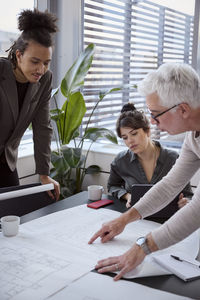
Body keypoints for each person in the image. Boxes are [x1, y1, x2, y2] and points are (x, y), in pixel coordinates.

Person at [88, 62, 200, 281]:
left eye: (156, 114)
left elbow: (196, 210)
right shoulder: (193, 135)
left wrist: (142, 247)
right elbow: (170, 185)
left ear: (183, 109)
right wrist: (124, 220)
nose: (152, 122)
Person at [0, 9, 60, 200]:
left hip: (6, 161)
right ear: (19, 55)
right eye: (35, 61)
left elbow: (42, 127)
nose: (41, 69)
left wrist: (44, 174)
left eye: (46, 63)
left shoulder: (45, 80)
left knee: (14, 217)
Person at [108, 103, 191, 220]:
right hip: (136, 221)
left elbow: (188, 195)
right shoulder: (121, 161)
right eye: (125, 138)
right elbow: (112, 186)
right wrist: (127, 196)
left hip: (168, 222)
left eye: (134, 134)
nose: (130, 141)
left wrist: (185, 202)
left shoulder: (173, 158)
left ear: (147, 131)